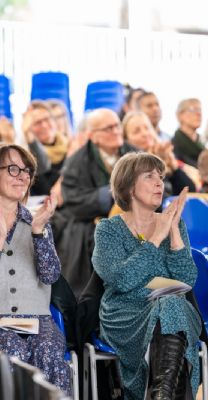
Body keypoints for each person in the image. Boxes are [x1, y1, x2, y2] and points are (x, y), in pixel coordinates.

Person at [0, 143, 71, 394]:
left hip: (37, 319)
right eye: (12, 169)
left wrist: (38, 233)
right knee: (10, 350)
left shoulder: (37, 222)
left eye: (26, 170)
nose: (22, 176)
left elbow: (51, 275)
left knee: (48, 350)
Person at [92, 152, 201, 399]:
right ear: (129, 186)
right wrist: (156, 238)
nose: (159, 183)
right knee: (171, 306)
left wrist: (173, 232)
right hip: (126, 315)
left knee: (171, 304)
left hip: (172, 312)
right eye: (149, 176)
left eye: (161, 177)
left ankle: (161, 394)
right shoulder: (108, 230)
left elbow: (186, 282)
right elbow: (121, 281)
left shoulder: (175, 225)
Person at [56, 108, 135, 297]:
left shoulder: (134, 154)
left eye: (117, 125)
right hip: (89, 223)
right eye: (109, 128)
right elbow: (74, 200)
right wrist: (112, 194)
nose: (116, 131)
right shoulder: (76, 162)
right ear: (93, 136)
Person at [122, 111, 197, 195]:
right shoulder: (129, 168)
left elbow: (190, 190)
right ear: (126, 140)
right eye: (137, 131)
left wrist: (174, 168)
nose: (145, 133)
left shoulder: (165, 154)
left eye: (147, 128)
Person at [22, 100, 68, 196]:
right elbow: (45, 191)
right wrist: (31, 140)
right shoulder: (26, 158)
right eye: (37, 122)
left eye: (47, 119)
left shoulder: (70, 146)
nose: (44, 125)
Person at [173, 98, 205, 168]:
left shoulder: (203, 142)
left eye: (199, 110)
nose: (199, 114)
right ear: (180, 115)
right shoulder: (174, 145)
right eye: (193, 110)